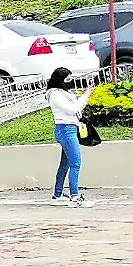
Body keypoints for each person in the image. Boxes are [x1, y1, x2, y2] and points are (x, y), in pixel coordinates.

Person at [48, 68, 95, 208]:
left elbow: (77, 109)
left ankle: (58, 195)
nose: (70, 81)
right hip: (65, 130)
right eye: (67, 79)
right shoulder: (55, 94)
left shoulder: (64, 92)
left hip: (71, 129)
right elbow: (72, 109)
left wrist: (84, 97)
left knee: (65, 164)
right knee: (76, 162)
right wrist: (85, 96)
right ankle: (75, 196)